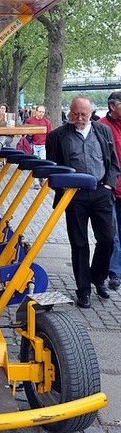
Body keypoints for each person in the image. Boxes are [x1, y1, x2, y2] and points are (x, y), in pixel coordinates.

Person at [46, 96, 120, 309]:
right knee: (79, 244)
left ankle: (98, 277)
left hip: (100, 192)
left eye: (83, 114)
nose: (79, 118)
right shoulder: (58, 136)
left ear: (91, 113)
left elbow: (113, 163)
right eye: (75, 114)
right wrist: (61, 188)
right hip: (74, 195)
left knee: (107, 239)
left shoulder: (102, 131)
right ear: (69, 112)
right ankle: (83, 290)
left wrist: (109, 186)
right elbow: (52, 168)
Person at [99, 91, 121, 290]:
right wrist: (107, 184)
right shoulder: (102, 127)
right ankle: (114, 273)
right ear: (113, 106)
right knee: (111, 233)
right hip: (111, 189)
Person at [25, 105, 53, 189]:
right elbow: (25, 131)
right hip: (33, 144)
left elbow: (50, 134)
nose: (41, 114)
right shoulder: (30, 120)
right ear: (36, 111)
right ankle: (36, 183)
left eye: (43, 112)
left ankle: (41, 177)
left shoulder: (47, 122)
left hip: (43, 145)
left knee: (43, 162)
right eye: (40, 111)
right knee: (34, 163)